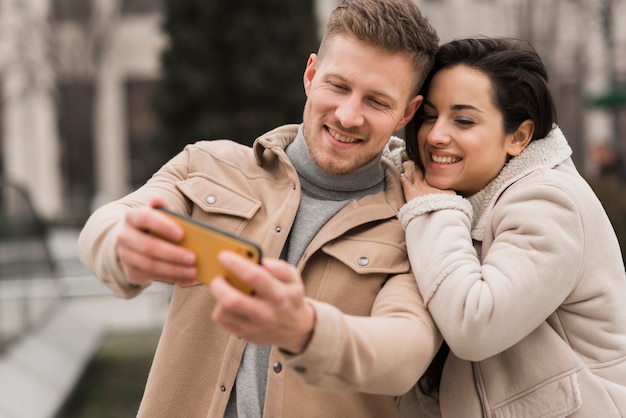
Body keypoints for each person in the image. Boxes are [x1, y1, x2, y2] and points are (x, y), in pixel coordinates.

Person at [78, 1, 442, 417]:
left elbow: (405, 353)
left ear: (407, 113)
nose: (348, 115)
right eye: (338, 86)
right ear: (310, 75)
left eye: (377, 101)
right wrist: (121, 245)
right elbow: (107, 223)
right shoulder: (208, 164)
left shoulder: (413, 222)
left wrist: (305, 329)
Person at [396, 37, 626, 417]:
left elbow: (475, 324)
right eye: (430, 115)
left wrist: (432, 210)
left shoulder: (549, 202)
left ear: (518, 137)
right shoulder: (471, 190)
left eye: (464, 120)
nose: (435, 135)